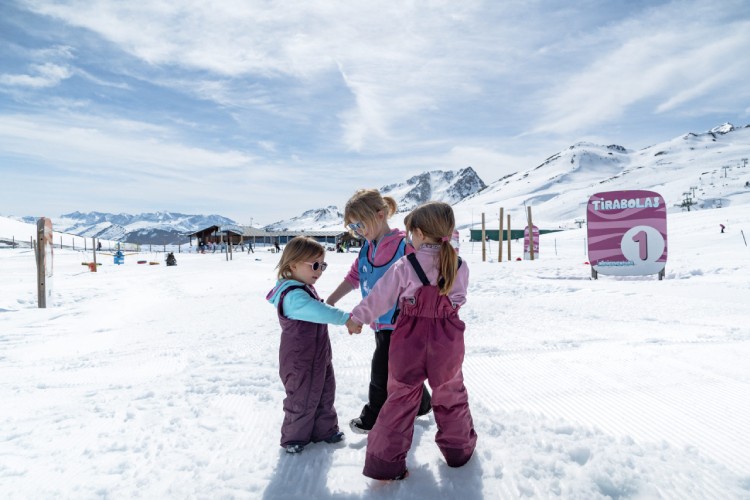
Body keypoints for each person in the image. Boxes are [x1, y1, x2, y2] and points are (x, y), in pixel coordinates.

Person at [347, 201, 477, 480]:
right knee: (450, 393)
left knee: (401, 398)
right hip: (447, 337)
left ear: (418, 233)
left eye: (410, 233)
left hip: (409, 337)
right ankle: (459, 452)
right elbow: (459, 298)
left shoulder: (405, 265)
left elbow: (380, 298)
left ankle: (385, 463)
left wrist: (358, 317)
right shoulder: (458, 264)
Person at [326, 188, 431, 435]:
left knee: (381, 371)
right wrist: (330, 299)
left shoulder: (404, 247)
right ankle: (423, 403)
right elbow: (353, 278)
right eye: (353, 228)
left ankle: (372, 416)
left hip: (402, 323)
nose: (358, 232)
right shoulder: (365, 250)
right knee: (400, 370)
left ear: (381, 215)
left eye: (360, 224)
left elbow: (426, 279)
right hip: (380, 323)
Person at [266, 236, 354, 454]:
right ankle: (294, 437)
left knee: (325, 392)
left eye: (322, 265)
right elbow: (320, 312)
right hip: (299, 359)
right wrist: (347, 318)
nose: (319, 271)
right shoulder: (293, 295)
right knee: (301, 397)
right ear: (293, 264)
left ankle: (324, 430)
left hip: (319, 354)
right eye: (314, 265)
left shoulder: (303, 287)